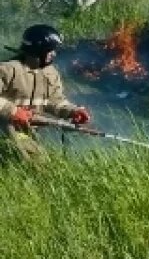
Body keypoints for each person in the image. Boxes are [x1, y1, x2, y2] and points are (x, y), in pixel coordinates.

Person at [0, 25, 90, 163]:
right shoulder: (8, 70)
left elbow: (55, 101)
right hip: (5, 128)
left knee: (41, 161)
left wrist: (73, 111)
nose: (54, 54)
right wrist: (13, 111)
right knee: (33, 163)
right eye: (50, 50)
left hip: (27, 131)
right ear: (38, 50)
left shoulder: (50, 73)